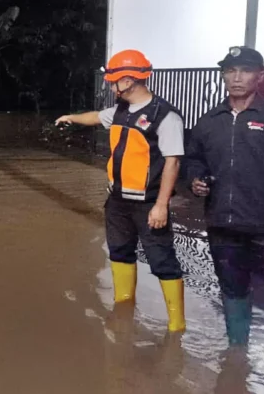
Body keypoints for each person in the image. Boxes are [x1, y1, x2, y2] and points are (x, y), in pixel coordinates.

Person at [186, 46, 264, 376]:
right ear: (224, 76)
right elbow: (195, 158)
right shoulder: (209, 121)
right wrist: (195, 179)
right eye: (230, 71)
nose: (237, 77)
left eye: (244, 70)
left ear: (261, 76)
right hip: (223, 225)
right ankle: (237, 353)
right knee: (232, 289)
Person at [56, 49, 186, 332]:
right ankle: (123, 304)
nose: (111, 86)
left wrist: (162, 205)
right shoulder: (120, 111)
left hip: (149, 203)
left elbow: (172, 163)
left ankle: (177, 325)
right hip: (117, 201)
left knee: (162, 261)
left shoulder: (166, 117)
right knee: (119, 253)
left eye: (113, 80)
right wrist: (71, 118)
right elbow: (96, 117)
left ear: (128, 80)